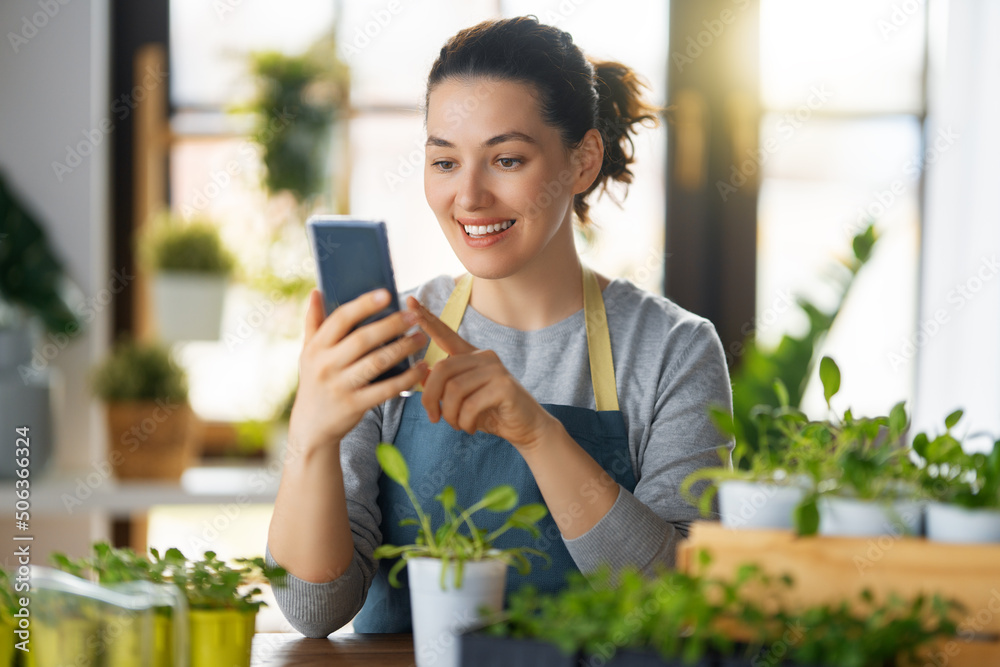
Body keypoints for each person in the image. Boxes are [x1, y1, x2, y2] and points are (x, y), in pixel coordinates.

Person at [265, 16, 733, 637]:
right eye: (445, 162)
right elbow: (312, 612)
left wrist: (537, 434)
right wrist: (312, 439)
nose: (469, 196)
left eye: (506, 159)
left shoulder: (673, 351)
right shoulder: (391, 336)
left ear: (582, 160)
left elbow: (679, 607)